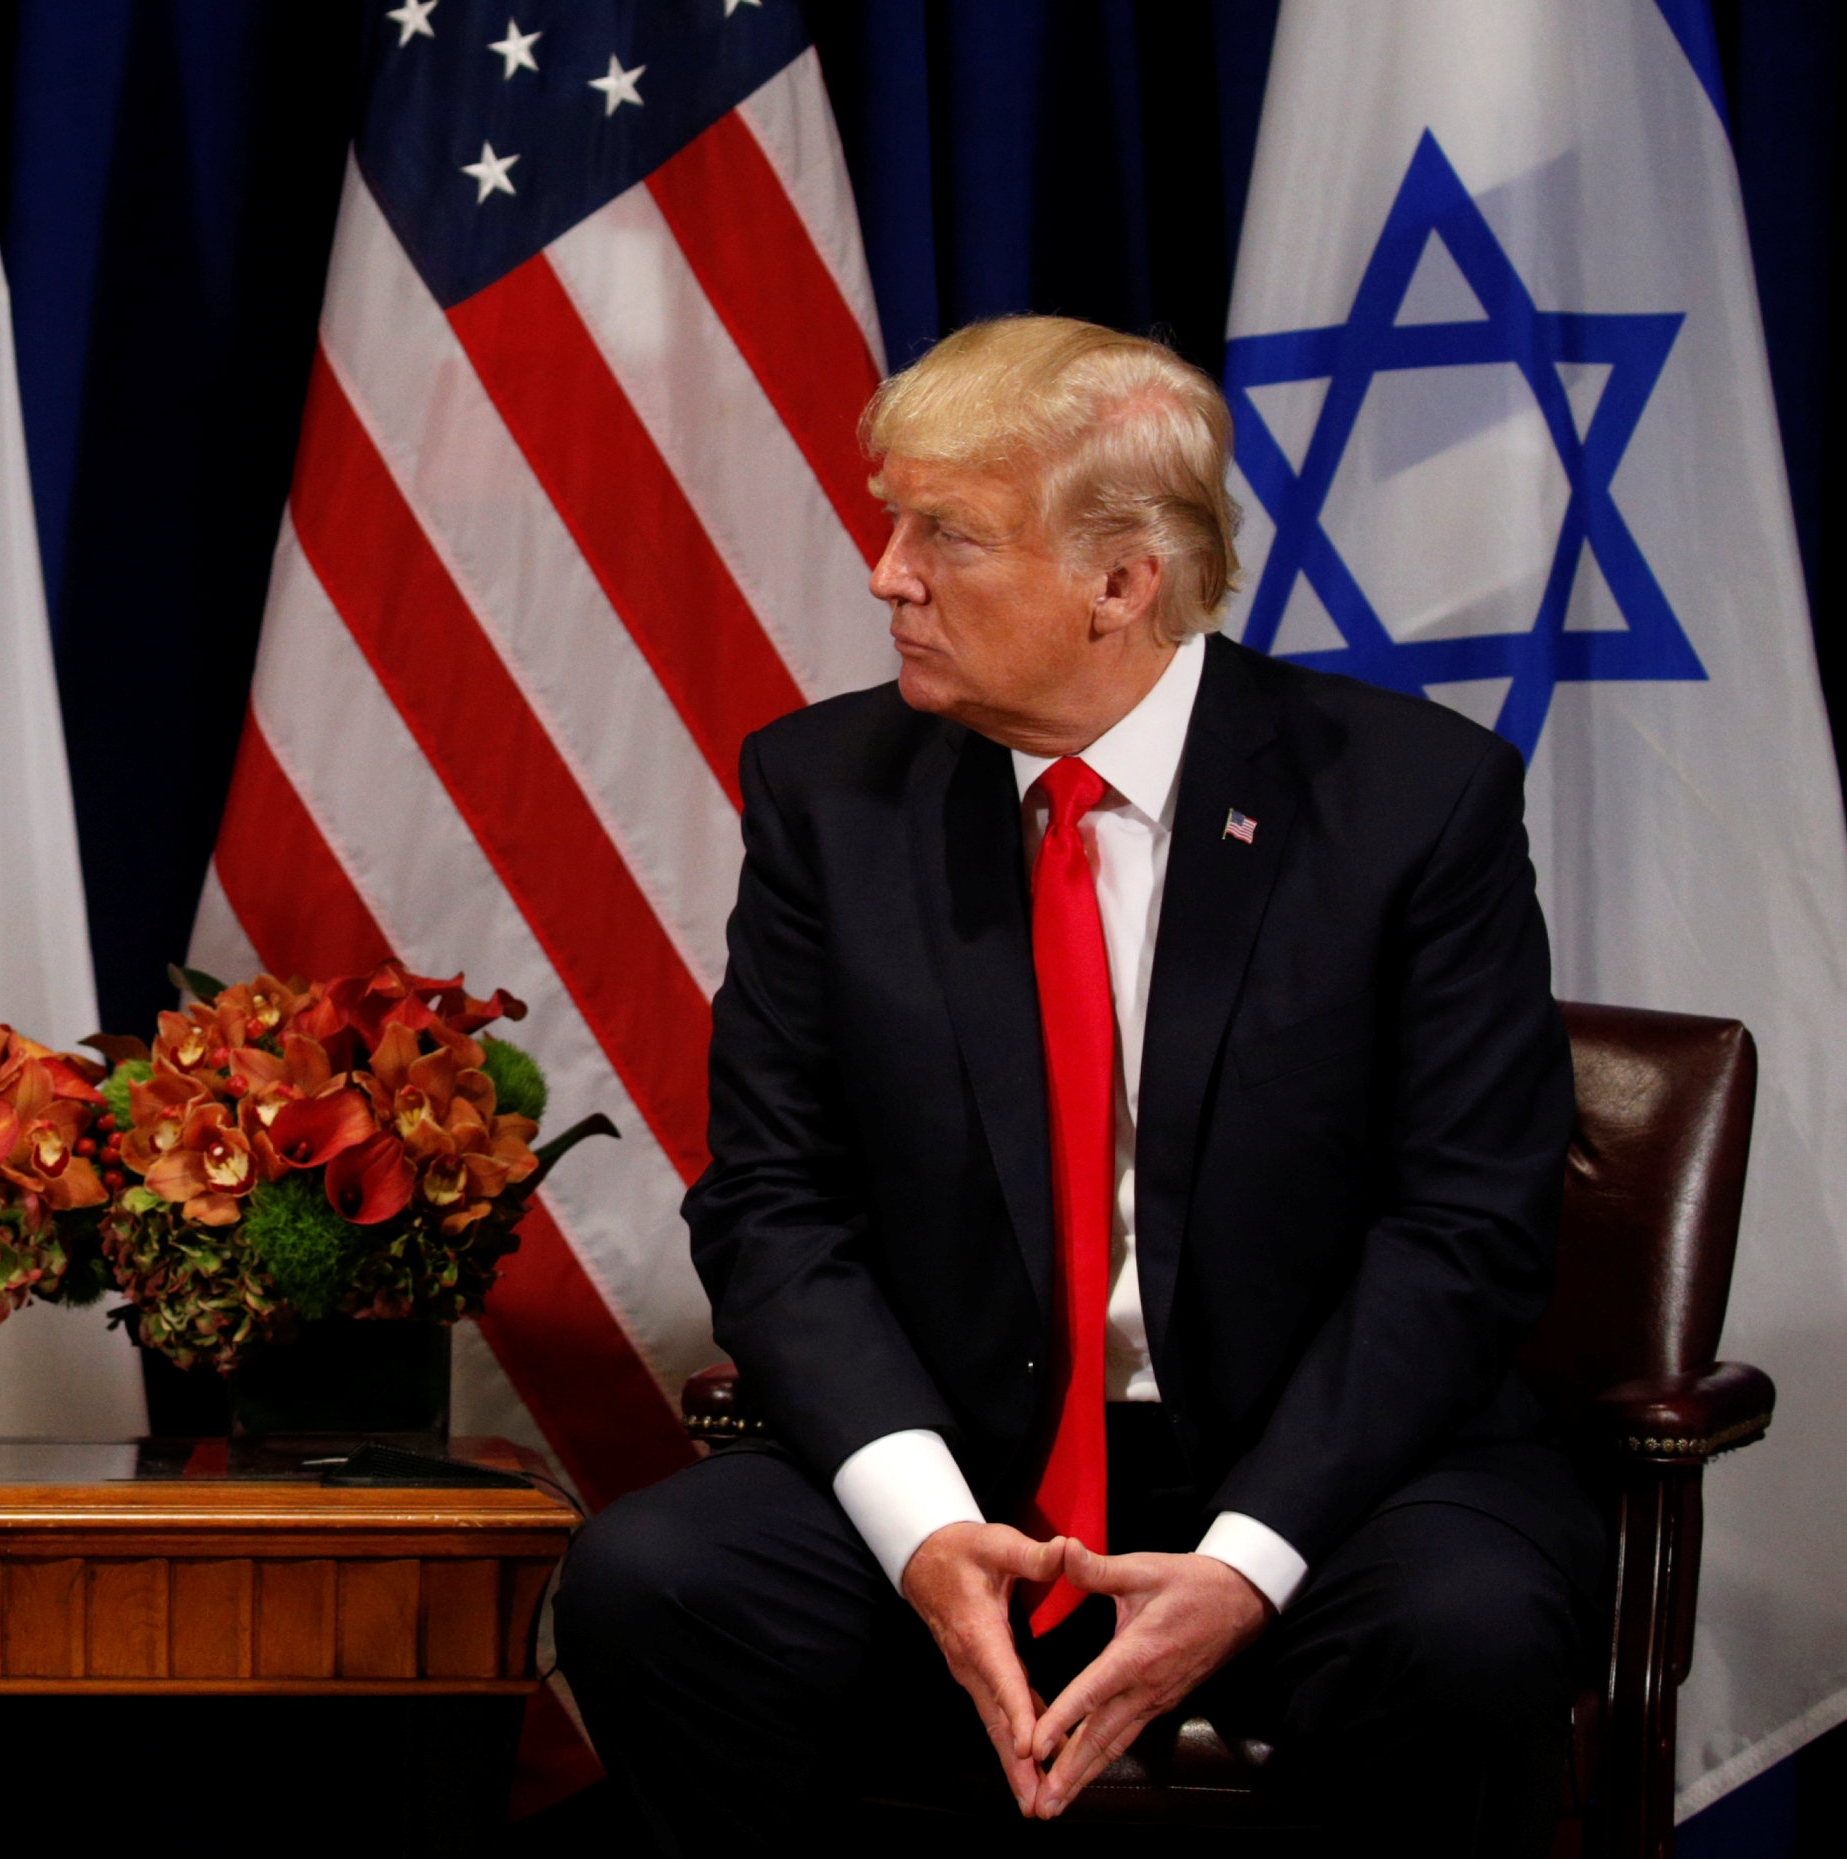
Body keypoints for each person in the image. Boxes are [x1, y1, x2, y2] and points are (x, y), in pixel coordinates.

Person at [557, 316, 1601, 1853]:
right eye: (891, 516)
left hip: (1323, 1470)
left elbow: (1465, 1229)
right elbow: (775, 1206)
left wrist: (1247, 1559)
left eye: (946, 535)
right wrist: (926, 1533)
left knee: (1467, 1631)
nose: (886, 573)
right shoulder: (828, 798)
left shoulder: (1410, 804)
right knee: (657, 1587)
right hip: (971, 1461)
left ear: (1125, 583)